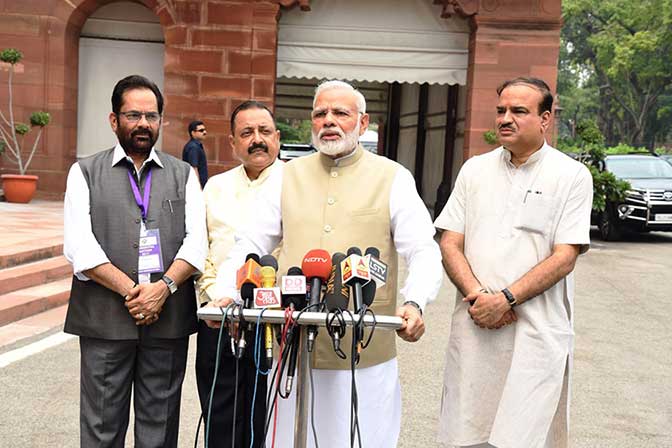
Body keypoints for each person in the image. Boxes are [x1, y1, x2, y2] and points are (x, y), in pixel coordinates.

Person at [208, 80, 443, 447]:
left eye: (340, 113)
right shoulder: (286, 175)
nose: (328, 121)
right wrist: (226, 293)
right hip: (293, 344)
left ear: (363, 124)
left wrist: (414, 302)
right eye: (320, 114)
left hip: (364, 349)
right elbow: (250, 243)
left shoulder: (392, 177)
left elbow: (424, 250)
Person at [434, 77, 593, 448]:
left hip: (535, 333)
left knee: (524, 436)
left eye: (519, 111)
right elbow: (450, 240)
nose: (506, 118)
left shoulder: (571, 176)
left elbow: (565, 255)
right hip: (476, 327)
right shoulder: (475, 170)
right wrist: (479, 297)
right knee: (467, 433)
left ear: (545, 119)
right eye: (501, 110)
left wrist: (506, 299)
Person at [63, 74, 207, 448]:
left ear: (161, 121)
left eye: (152, 116)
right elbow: (80, 245)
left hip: (167, 320)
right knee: (101, 428)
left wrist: (163, 289)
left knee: (160, 429)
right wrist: (135, 294)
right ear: (114, 121)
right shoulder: (85, 172)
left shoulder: (183, 175)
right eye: (133, 115)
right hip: (105, 321)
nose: (144, 124)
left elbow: (197, 242)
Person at [195, 100, 283, 447]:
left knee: (268, 414)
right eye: (246, 133)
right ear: (232, 142)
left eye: (264, 131)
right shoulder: (214, 187)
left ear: (277, 137)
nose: (256, 139)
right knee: (220, 416)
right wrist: (217, 295)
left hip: (273, 320)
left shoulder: (297, 183)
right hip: (217, 316)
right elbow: (199, 248)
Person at [182, 120, 209, 188]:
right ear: (193, 133)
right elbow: (194, 168)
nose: (205, 132)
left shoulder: (196, 146)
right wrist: (197, 188)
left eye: (205, 130)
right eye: (201, 130)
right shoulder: (193, 147)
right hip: (195, 188)